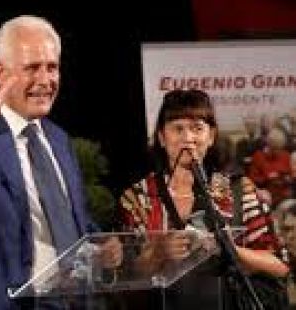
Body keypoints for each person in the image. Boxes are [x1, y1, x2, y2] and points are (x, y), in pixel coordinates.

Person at [0, 15, 121, 309]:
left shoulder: (59, 140)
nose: (45, 80)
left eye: (52, 67)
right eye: (32, 68)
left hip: (66, 302)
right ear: (0, 73)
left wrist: (101, 245)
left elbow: (67, 219)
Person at [120, 89, 289, 309]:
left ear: (211, 136)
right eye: (177, 128)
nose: (188, 138)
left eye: (197, 128)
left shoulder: (239, 190)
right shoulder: (138, 198)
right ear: (161, 137)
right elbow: (125, 277)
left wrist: (229, 250)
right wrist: (159, 252)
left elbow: (279, 266)